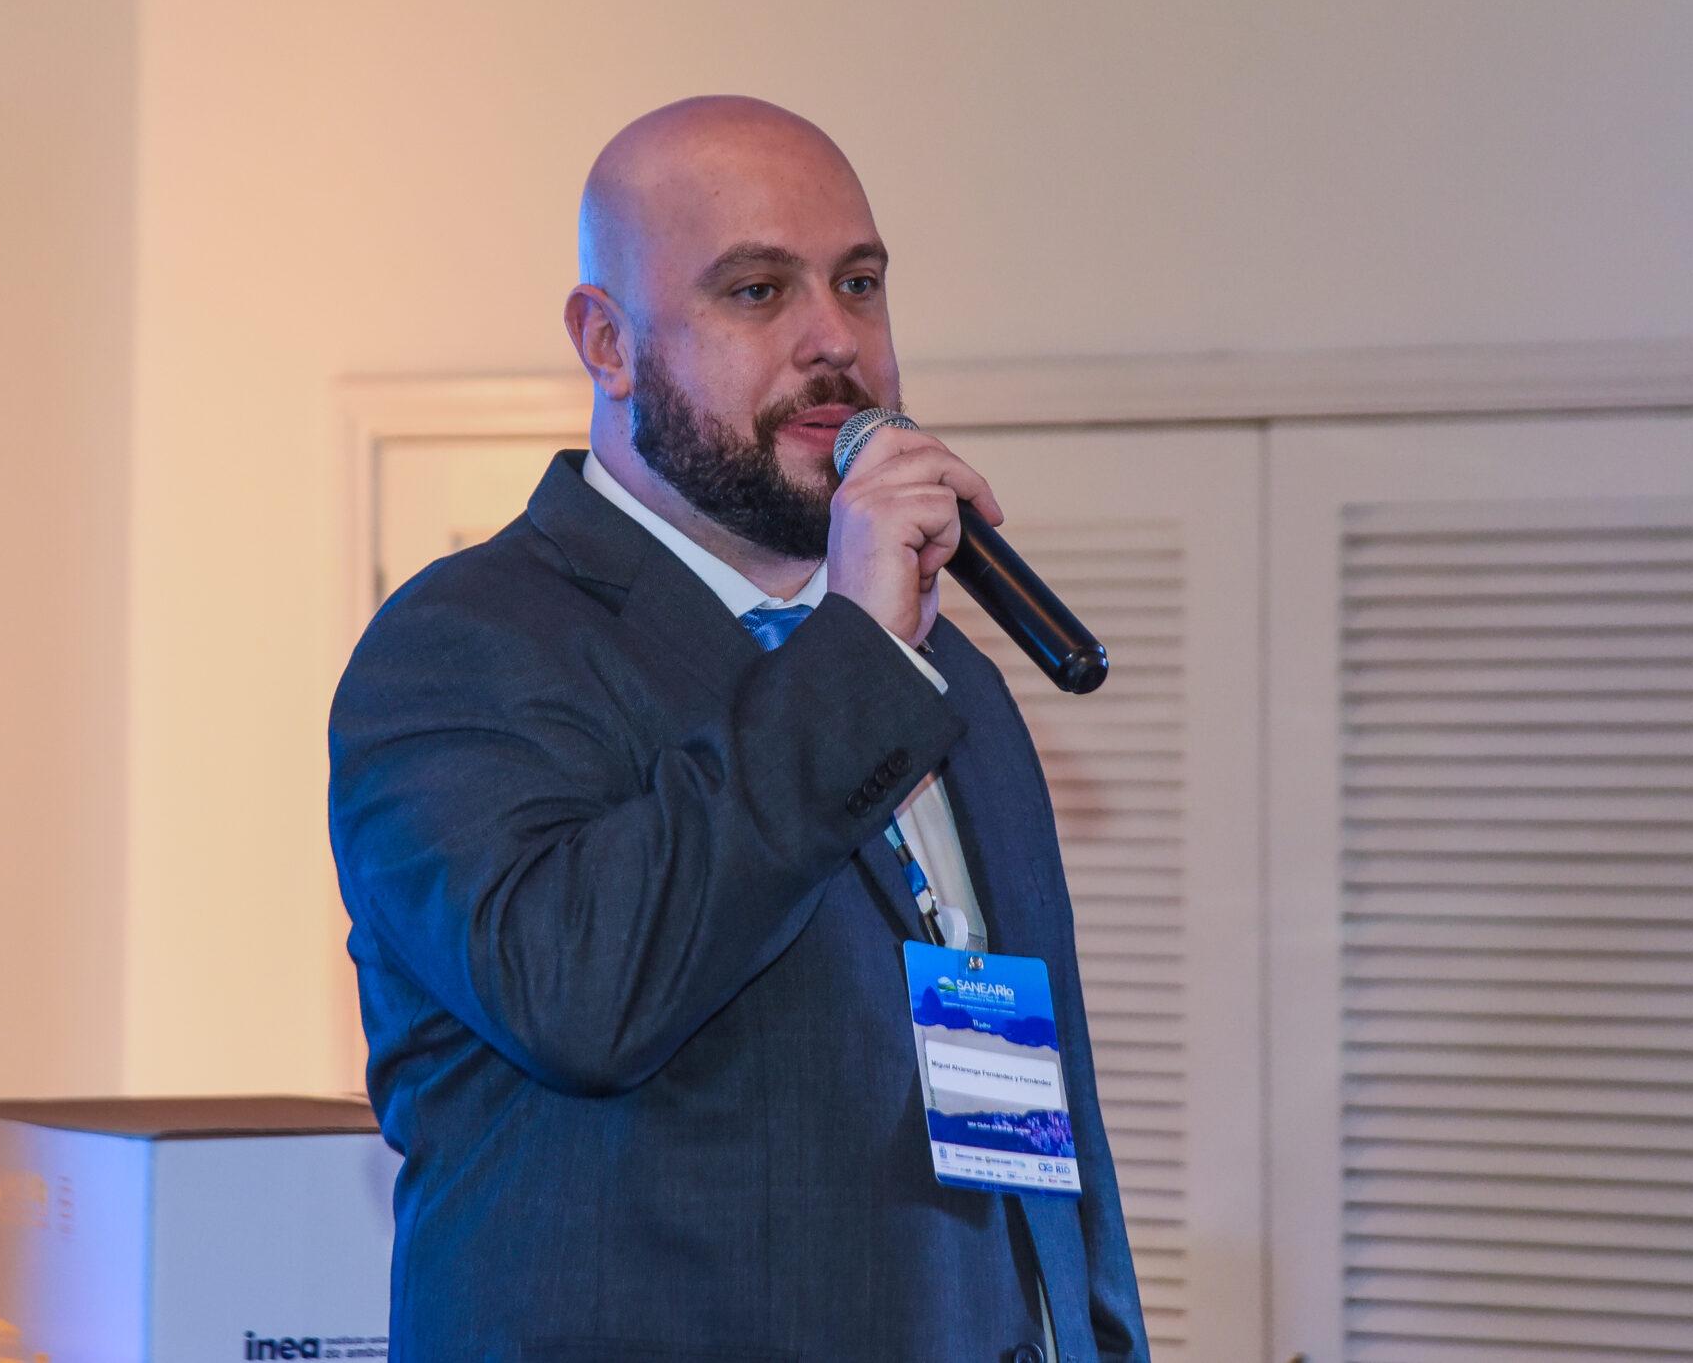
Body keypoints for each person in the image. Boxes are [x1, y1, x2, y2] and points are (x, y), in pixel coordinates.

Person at [328, 95, 1148, 1363]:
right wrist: (858, 653)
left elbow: (1038, 1124)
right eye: (758, 291)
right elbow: (584, 994)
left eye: (858, 283)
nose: (835, 340)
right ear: (607, 343)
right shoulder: (464, 645)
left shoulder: (946, 681)